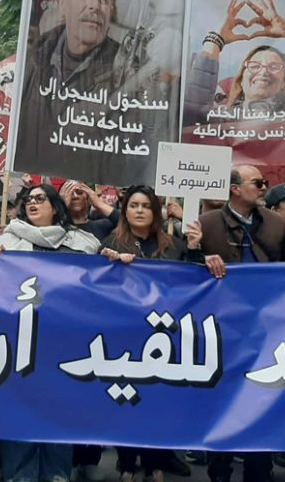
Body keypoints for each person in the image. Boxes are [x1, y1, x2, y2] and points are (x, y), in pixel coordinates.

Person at [196, 165, 285, 482]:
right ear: (235, 189)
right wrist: (198, 256)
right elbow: (186, 275)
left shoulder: (275, 224)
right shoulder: (207, 224)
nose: (263, 188)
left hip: (265, 331)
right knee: (223, 404)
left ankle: (259, 471)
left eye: (264, 183)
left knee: (262, 401)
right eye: (257, 183)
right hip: (223, 332)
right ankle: (219, 472)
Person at [16, 0, 170, 182]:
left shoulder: (131, 75)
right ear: (63, 2)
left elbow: (146, 153)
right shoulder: (31, 62)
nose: (94, 6)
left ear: (111, 10)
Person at [0, 185, 99, 482]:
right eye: (28, 200)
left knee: (59, 418)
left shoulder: (83, 244)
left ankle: (56, 476)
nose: (32, 203)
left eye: (40, 198)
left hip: (62, 348)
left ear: (55, 206)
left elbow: (99, 281)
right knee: (19, 417)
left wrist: (113, 259)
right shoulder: (4, 243)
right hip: (19, 347)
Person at [97, 185, 203, 482]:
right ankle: (127, 464)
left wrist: (196, 250)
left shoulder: (175, 246)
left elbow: (194, 286)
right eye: (134, 205)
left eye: (146, 206)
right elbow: (96, 288)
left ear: (156, 212)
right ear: (125, 211)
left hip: (164, 336)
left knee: (159, 404)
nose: (140, 211)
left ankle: (156, 463)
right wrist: (108, 265)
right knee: (126, 402)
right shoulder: (111, 243)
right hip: (125, 338)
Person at [184, 0, 285, 124]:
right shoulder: (222, 118)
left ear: (284, 83)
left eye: (274, 67)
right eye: (254, 66)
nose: (263, 72)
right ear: (241, 81)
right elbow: (193, 112)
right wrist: (216, 40)